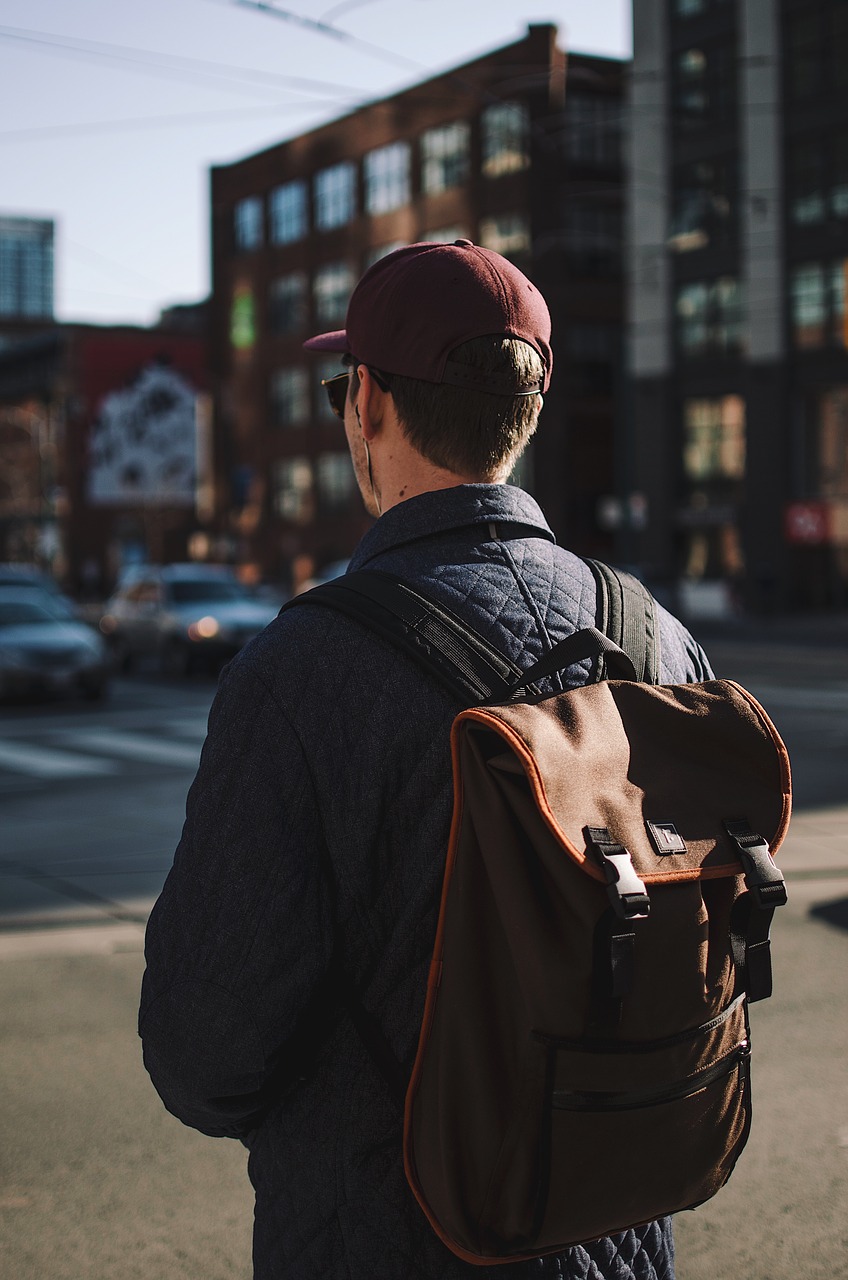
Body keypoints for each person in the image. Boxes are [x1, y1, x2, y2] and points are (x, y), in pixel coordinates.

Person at [139, 240, 711, 1280]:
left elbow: (204, 1047)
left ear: (365, 400)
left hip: (385, 1233)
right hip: (621, 1225)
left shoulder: (301, 669)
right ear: (526, 412)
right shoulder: (657, 637)